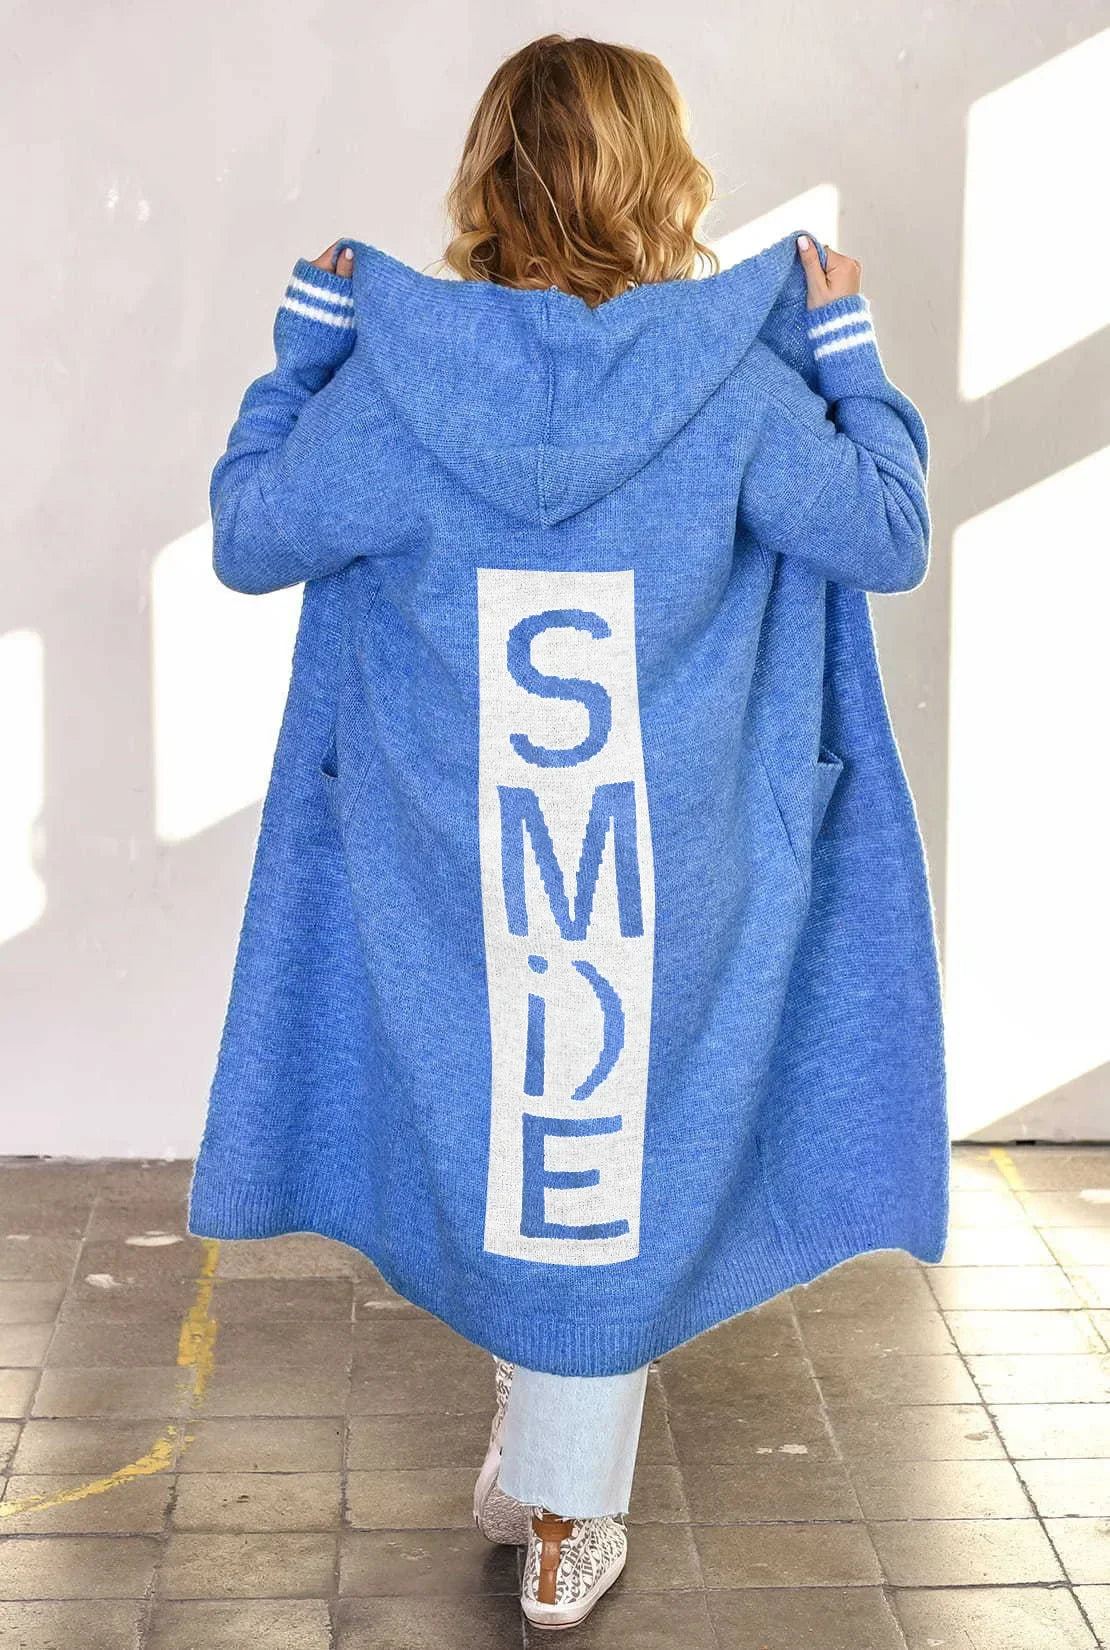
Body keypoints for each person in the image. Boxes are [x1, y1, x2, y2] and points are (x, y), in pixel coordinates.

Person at [189, 32, 948, 1634]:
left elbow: (250, 533)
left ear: (489, 175)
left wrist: (302, 358)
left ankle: (552, 1479)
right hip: (665, 848)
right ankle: (560, 1503)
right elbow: (884, 531)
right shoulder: (733, 390)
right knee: (603, 1125)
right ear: (661, 176)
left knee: (521, 1114)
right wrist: (847, 353)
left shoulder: (397, 391)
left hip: (462, 840)